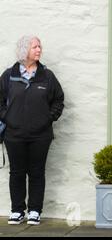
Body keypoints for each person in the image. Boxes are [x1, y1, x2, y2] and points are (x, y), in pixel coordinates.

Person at [0, 36, 64, 225]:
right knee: (17, 172)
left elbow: (59, 100)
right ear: (24, 50)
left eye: (39, 46)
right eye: (35, 46)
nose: (39, 49)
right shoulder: (8, 76)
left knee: (37, 172)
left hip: (40, 135)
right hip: (14, 134)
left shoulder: (47, 76)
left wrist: (48, 118)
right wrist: (7, 117)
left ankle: (35, 210)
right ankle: (17, 210)